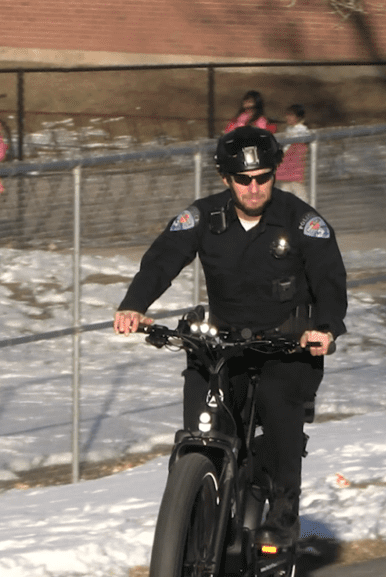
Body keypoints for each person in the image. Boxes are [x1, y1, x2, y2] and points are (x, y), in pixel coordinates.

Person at [114, 126, 346, 549]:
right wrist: (135, 305)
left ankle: (283, 511)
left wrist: (325, 329)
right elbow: (162, 260)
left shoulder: (302, 221)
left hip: (287, 346)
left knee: (278, 403)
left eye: (263, 177)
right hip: (224, 343)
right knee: (202, 413)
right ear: (226, 180)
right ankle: (196, 505)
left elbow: (330, 281)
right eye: (244, 179)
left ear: (274, 174)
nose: (254, 188)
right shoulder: (203, 217)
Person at [276, 104, 310, 202]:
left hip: (294, 166)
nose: (288, 117)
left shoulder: (302, 130)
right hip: (286, 165)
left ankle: (305, 211)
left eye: (291, 115)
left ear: (298, 117)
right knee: (285, 189)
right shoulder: (289, 129)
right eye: (287, 115)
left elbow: (301, 147)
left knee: (298, 189)